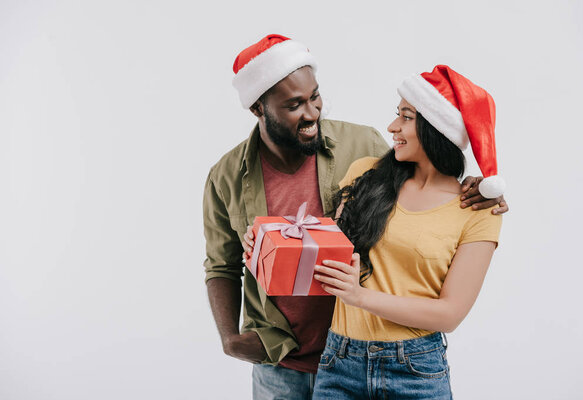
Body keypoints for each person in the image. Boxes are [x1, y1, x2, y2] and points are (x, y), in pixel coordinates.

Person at [204, 34, 507, 400]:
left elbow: (418, 191)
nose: (313, 112)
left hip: (403, 360)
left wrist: (477, 187)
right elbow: (228, 263)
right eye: (294, 104)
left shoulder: (364, 148)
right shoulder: (228, 176)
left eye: (314, 96)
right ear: (259, 109)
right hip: (289, 357)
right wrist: (262, 244)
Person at [307, 65, 503, 399]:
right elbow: (325, 253)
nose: (392, 126)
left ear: (436, 128)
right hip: (339, 363)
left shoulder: (477, 211)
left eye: (406, 117)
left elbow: (449, 314)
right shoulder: (366, 174)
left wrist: (360, 296)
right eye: (397, 114)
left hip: (415, 372)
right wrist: (268, 243)